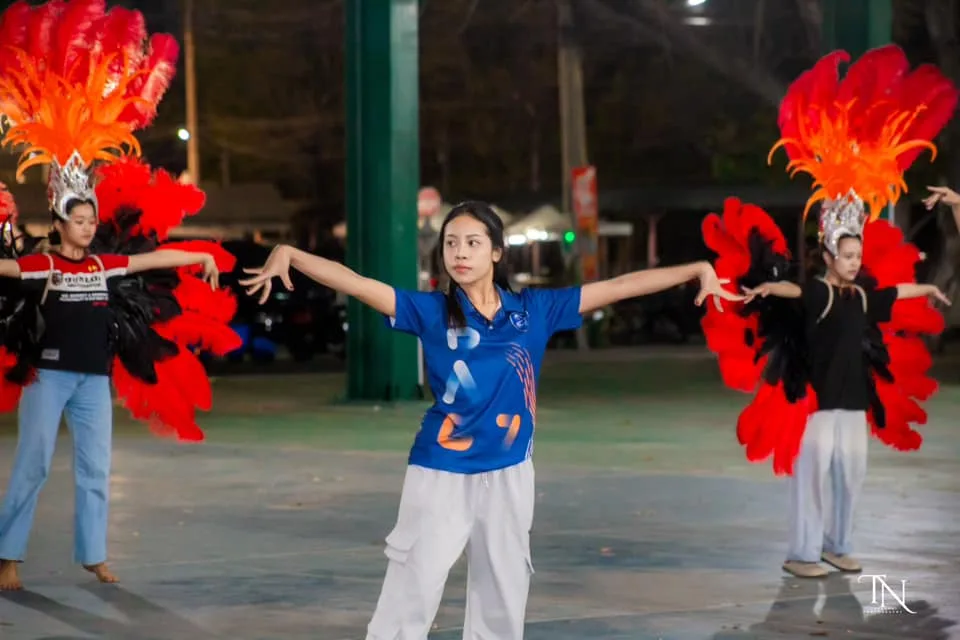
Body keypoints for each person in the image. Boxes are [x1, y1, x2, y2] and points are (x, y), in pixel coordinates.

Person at [239, 201, 742, 639]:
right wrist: (291, 255)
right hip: (440, 471)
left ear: (497, 252)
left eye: (472, 243)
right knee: (414, 582)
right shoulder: (429, 311)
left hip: (509, 471)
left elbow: (620, 286)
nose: (459, 253)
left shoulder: (535, 310)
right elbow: (357, 283)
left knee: (503, 587)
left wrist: (696, 269)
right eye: (451, 243)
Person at [0, 0, 240, 591]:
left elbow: (154, 258)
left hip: (93, 380)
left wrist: (202, 256)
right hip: (47, 377)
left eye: (91, 220)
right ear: (60, 223)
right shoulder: (42, 264)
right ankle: (8, 557)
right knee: (32, 466)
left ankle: (94, 555)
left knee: (96, 469)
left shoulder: (104, 264)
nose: (88, 227)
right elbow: (5, 269)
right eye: (79, 221)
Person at [701, 44, 956, 579]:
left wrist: (929, 291)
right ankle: (802, 553)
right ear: (830, 255)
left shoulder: (862, 297)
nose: (855, 260)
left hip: (853, 403)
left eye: (858, 253)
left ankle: (839, 546)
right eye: (848, 254)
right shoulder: (817, 292)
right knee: (812, 474)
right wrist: (764, 288)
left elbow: (896, 293)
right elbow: (790, 292)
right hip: (815, 404)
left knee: (852, 475)